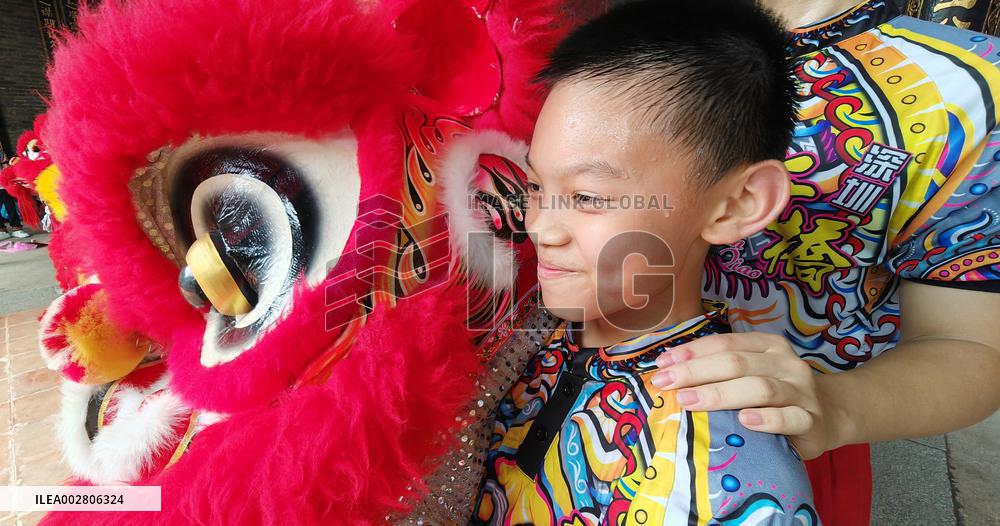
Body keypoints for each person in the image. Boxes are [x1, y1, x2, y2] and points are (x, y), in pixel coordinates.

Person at [640, 0, 1000, 524]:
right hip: (543, 399)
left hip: (775, 439)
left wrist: (836, 406)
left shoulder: (968, 89)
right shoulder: (594, 24)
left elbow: (969, 343)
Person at [469, 1, 820, 523]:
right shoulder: (524, 334)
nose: (539, 226)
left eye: (588, 197)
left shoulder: (732, 479)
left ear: (738, 205)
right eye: (538, 186)